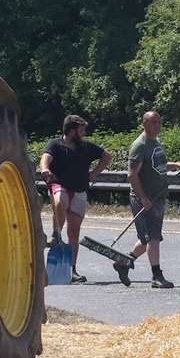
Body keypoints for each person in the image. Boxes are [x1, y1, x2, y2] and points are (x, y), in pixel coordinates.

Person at [126, 110, 180, 289]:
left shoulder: (155, 142)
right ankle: (156, 276)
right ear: (145, 124)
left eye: (159, 122)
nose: (158, 126)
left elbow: (158, 165)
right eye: (153, 122)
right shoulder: (140, 145)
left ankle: (124, 263)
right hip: (145, 199)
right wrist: (143, 198)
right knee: (153, 238)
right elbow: (132, 175)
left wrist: (177, 164)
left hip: (157, 197)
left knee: (149, 238)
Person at [39, 114, 108, 283]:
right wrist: (45, 169)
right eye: (82, 129)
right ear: (71, 131)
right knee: (60, 200)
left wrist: (94, 173)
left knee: (74, 232)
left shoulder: (85, 147)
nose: (84, 132)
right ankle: (56, 232)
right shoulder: (55, 144)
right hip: (60, 185)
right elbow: (45, 159)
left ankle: (72, 270)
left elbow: (107, 156)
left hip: (79, 191)